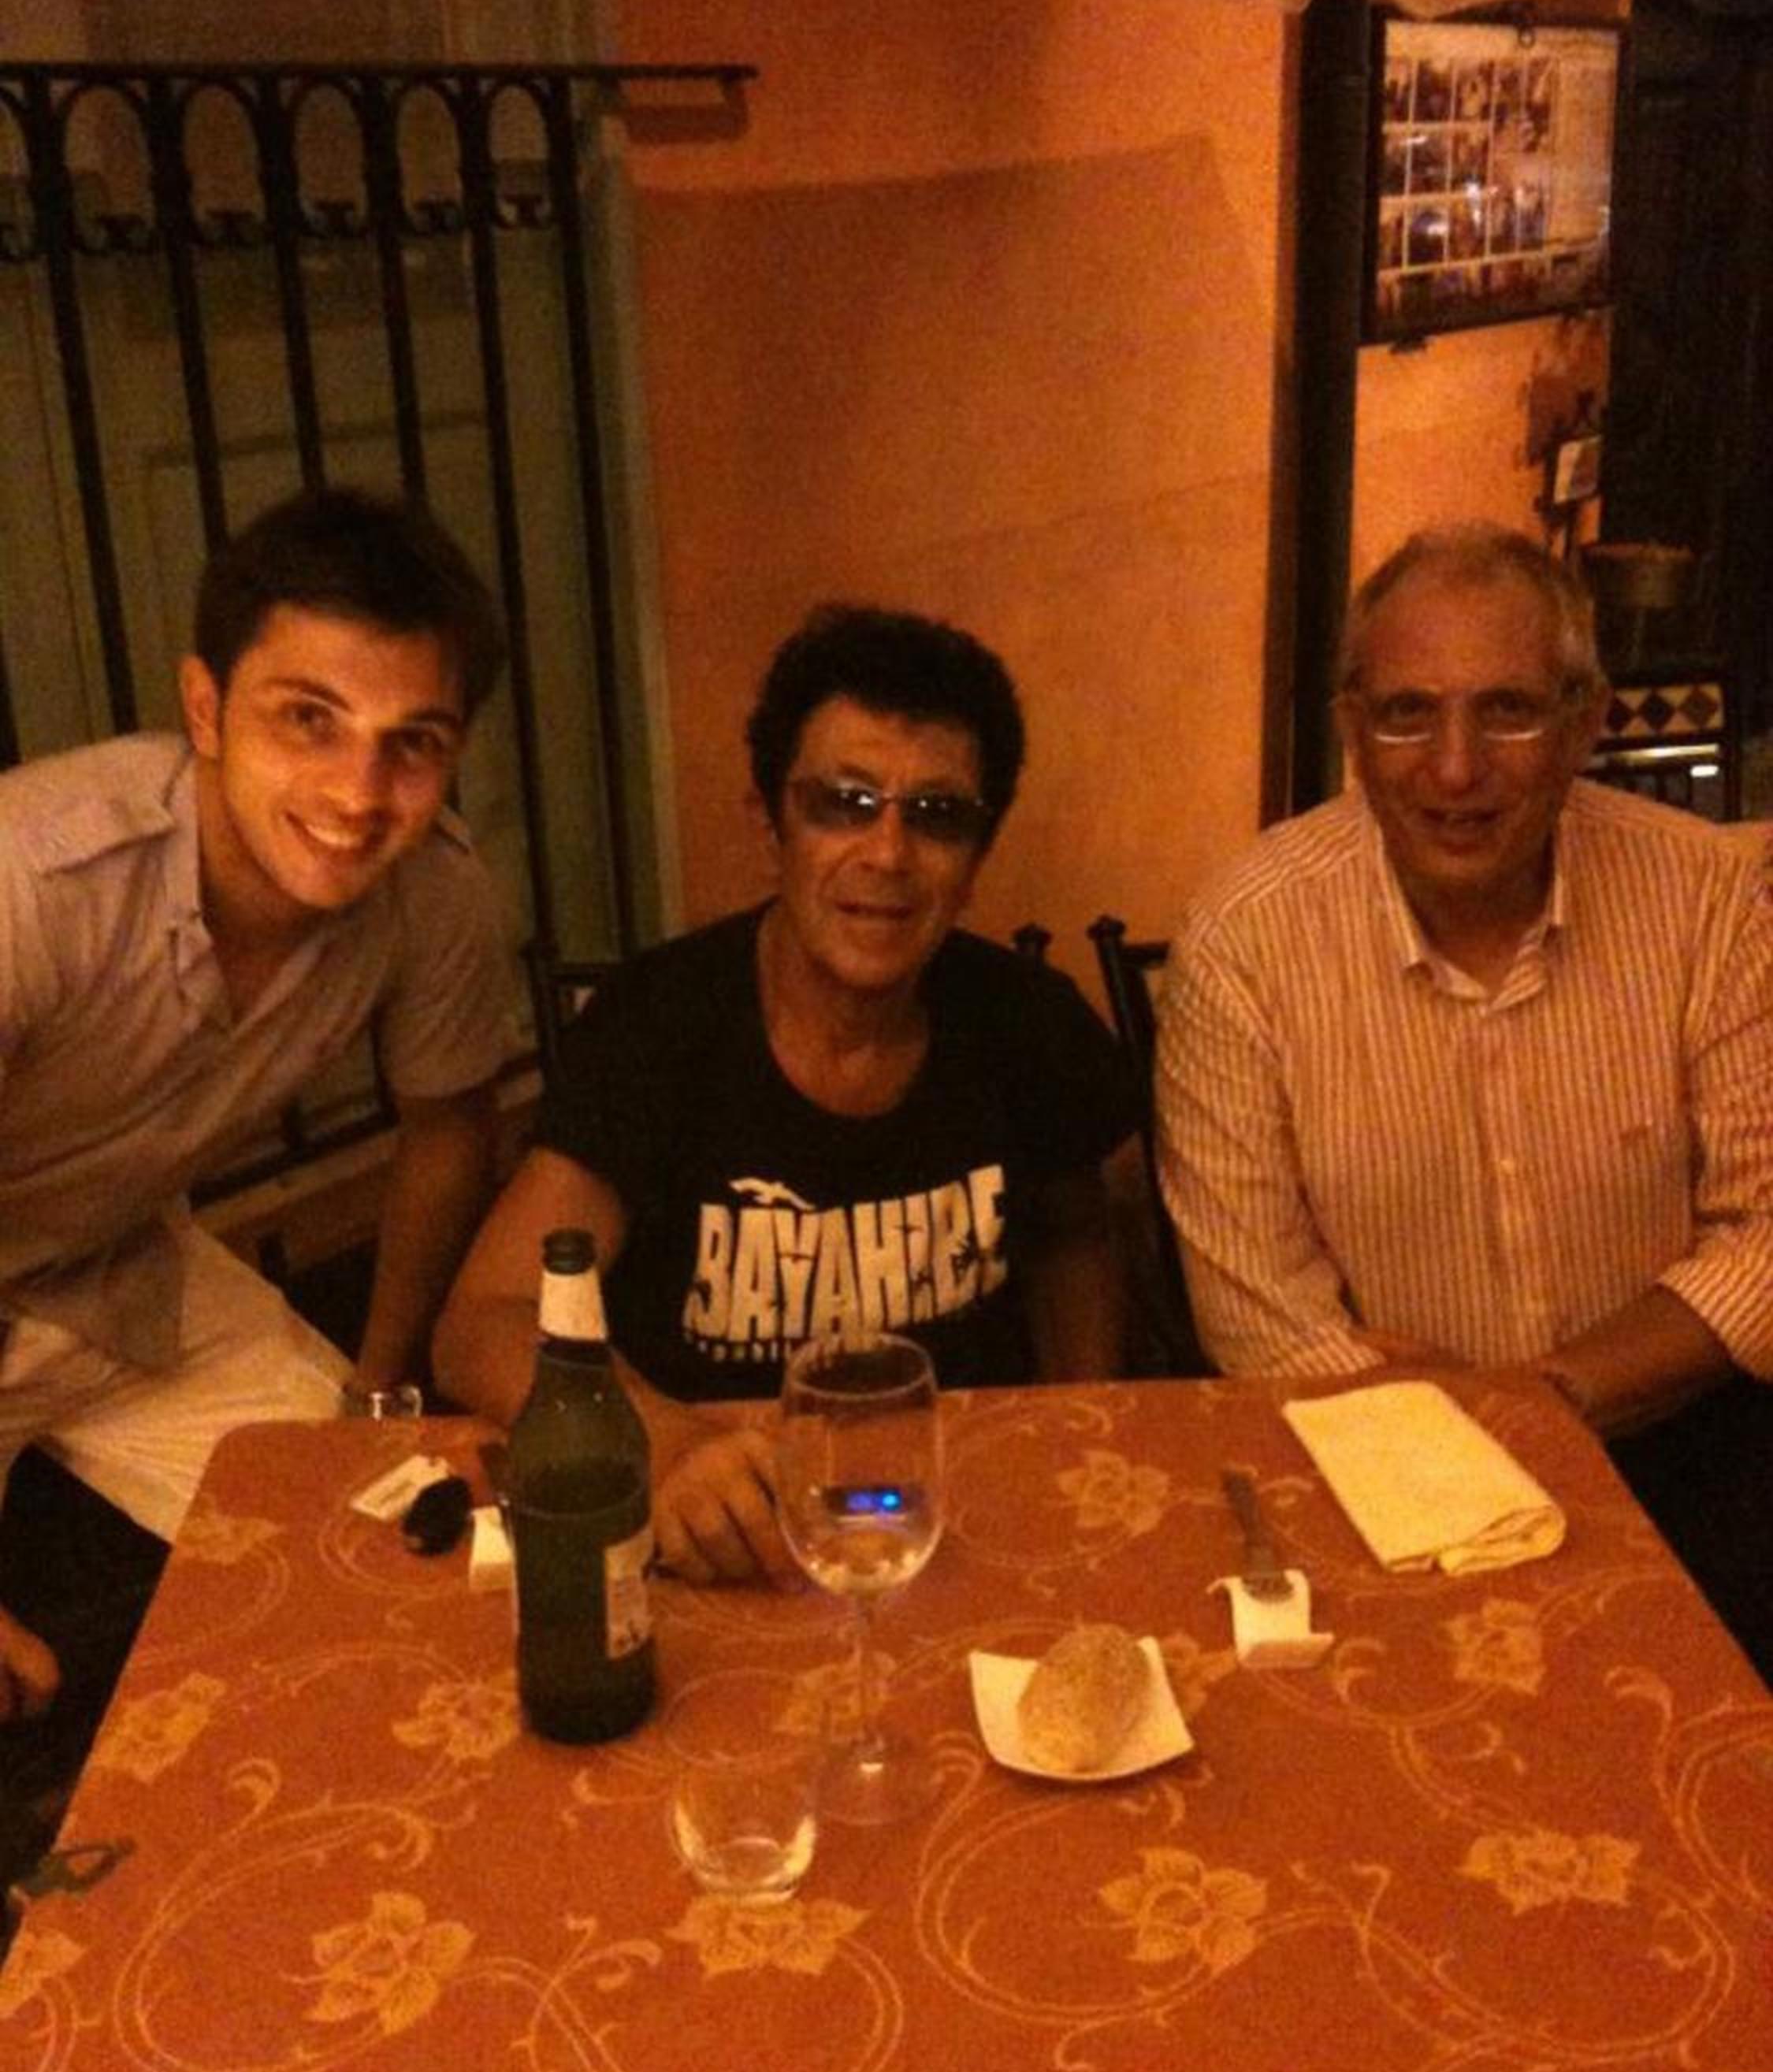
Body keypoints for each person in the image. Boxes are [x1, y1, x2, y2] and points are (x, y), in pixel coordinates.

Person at [0, 485, 515, 1873]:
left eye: (412, 744)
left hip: (121, 1265)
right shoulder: (28, 883)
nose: (358, 796)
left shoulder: (435, 892)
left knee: (394, 1544)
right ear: (206, 708)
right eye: (309, 719)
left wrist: (379, 1392)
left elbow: (449, 1131)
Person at [1156, 522, 1773, 1673]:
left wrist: (1544, 1398)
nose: (1454, 768)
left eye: (1508, 711)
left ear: (1586, 722)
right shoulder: (1243, 941)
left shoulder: (1710, 900)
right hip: (1370, 1470)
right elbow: (1260, 1319)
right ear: (1352, 729)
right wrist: (1452, 1437)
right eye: (1407, 714)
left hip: (1686, 1450)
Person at [435, 602, 1139, 1586]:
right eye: (843, 804)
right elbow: (488, 1316)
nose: (887, 855)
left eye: (937, 816)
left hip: (959, 1521)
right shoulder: (659, 1025)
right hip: (710, 1525)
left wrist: (1078, 1427)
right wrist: (665, 1442)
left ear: (977, 860)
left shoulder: (1029, 1022)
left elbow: (1076, 1233)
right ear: (770, 824)